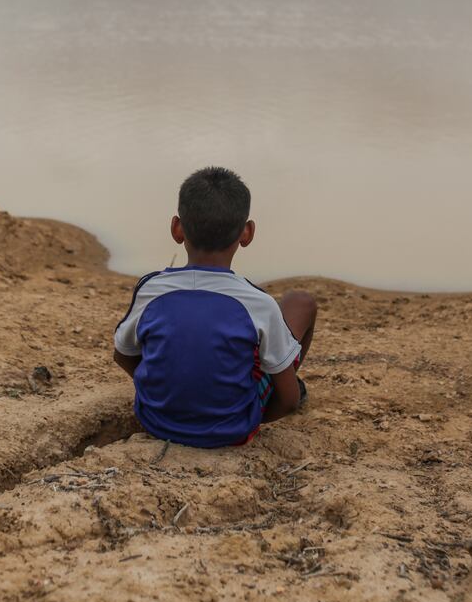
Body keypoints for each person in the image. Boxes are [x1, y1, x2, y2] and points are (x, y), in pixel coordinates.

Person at [112, 166, 318, 448]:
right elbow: (289, 402)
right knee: (300, 303)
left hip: (156, 422)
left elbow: (123, 355)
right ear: (247, 233)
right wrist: (252, 418)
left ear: (177, 228)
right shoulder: (258, 303)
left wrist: (162, 387)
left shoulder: (151, 290)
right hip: (232, 431)